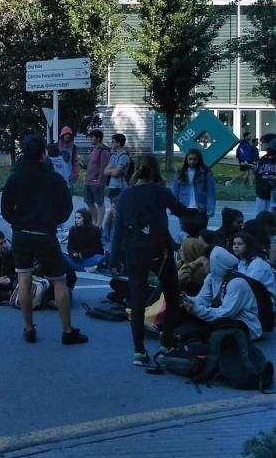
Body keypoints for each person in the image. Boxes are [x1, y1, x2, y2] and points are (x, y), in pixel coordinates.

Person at [1, 133, 87, 345]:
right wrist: (52, 221)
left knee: (24, 279)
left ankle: (29, 328)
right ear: (43, 153)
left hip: (21, 234)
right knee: (59, 280)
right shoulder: (53, 178)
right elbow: (66, 208)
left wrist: (17, 222)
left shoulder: (15, 176)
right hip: (45, 234)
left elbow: (5, 209)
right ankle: (67, 331)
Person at [110, 154, 193, 364]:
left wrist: (114, 258)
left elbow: (117, 229)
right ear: (155, 170)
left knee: (137, 301)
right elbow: (181, 211)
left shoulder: (126, 196)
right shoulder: (161, 192)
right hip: (160, 251)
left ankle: (139, 351)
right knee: (173, 296)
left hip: (134, 251)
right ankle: (166, 340)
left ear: (136, 170)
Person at [180, 247, 263, 340]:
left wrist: (196, 309)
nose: (202, 264)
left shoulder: (237, 283)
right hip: (223, 317)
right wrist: (188, 299)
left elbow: (225, 314)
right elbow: (203, 300)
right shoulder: (211, 278)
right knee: (185, 312)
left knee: (220, 326)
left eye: (206, 260)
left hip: (242, 322)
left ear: (216, 263)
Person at [170, 148, 216, 226]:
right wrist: (173, 208)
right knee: (185, 235)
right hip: (184, 208)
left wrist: (210, 209)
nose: (192, 161)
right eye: (190, 159)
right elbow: (175, 191)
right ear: (186, 159)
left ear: (199, 159)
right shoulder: (180, 172)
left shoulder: (205, 172)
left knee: (200, 234)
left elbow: (211, 192)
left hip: (201, 209)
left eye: (195, 159)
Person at [101, 133, 131, 246]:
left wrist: (113, 171)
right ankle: (111, 239)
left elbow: (117, 173)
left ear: (118, 143)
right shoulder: (113, 156)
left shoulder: (123, 156)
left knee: (117, 214)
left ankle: (117, 239)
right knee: (113, 213)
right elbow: (106, 171)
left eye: (113, 141)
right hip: (112, 187)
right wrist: (113, 171)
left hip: (121, 188)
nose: (111, 143)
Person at [232, 231, 276, 298]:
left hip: (265, 301)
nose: (236, 246)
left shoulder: (258, 263)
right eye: (234, 244)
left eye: (240, 244)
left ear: (248, 246)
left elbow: (249, 286)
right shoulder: (241, 261)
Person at [84, 130, 111, 228]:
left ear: (98, 138)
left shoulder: (103, 151)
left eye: (92, 137)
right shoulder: (94, 150)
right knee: (89, 202)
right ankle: (94, 222)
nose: (90, 139)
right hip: (88, 181)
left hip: (97, 182)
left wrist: (101, 181)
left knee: (99, 202)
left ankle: (99, 224)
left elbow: (104, 167)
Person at [253, 137, 276, 215]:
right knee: (260, 216)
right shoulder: (264, 158)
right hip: (262, 192)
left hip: (272, 193)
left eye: (263, 142)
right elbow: (257, 174)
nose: (261, 144)